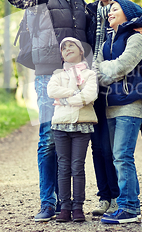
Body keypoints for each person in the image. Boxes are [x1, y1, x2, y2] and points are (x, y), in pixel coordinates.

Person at [3, 0, 94, 222]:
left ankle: (67, 203)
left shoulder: (79, 1)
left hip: (76, 76)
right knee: (48, 137)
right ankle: (48, 202)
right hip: (48, 74)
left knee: (69, 137)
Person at [86, 0, 142, 216]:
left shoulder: (136, 38)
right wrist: (105, 71)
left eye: (115, 10)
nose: (110, 13)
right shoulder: (108, 40)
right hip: (110, 104)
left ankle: (128, 207)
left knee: (122, 156)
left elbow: (119, 67)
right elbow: (98, 67)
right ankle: (127, 205)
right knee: (118, 156)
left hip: (129, 103)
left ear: (126, 14)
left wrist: (105, 71)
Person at [47, 37, 98, 222]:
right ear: (62, 55)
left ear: (81, 51)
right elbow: (52, 91)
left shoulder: (90, 74)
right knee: (63, 167)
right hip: (61, 125)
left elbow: (90, 95)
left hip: (81, 125)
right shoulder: (58, 74)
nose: (67, 49)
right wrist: (76, 94)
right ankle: (64, 207)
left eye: (71, 45)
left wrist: (65, 100)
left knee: (77, 167)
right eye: (63, 48)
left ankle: (78, 207)